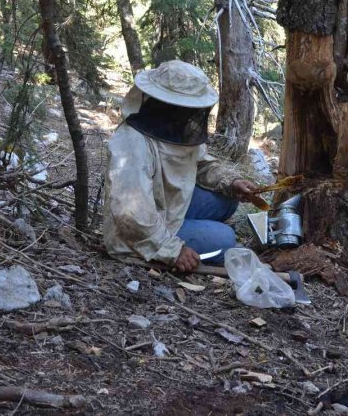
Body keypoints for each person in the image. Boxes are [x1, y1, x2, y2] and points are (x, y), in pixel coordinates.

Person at [103, 60, 259, 272]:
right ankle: (187, 237)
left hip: (169, 204)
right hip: (136, 234)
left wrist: (231, 182)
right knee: (225, 239)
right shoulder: (131, 142)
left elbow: (202, 164)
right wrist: (171, 249)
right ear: (167, 104)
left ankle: (193, 228)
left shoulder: (176, 129)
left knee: (228, 200)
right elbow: (130, 212)